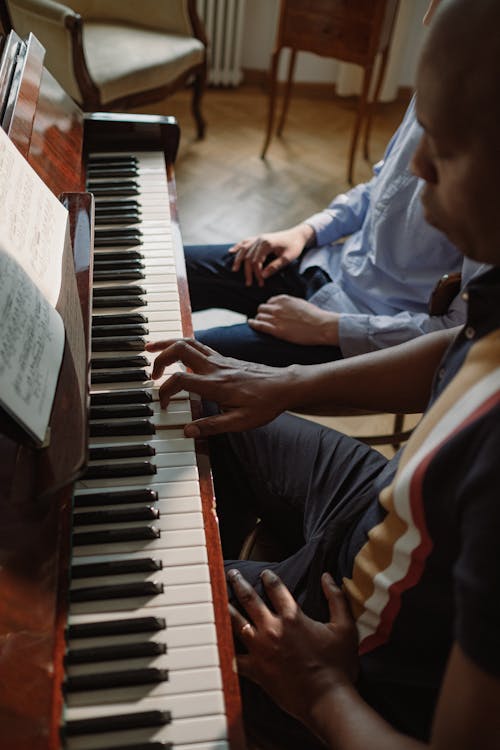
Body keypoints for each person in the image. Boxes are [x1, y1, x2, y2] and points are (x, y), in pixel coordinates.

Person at [147, 0, 500, 747]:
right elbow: (458, 347)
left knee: (129, 604)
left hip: (356, 658)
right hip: (378, 495)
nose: (418, 165)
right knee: (206, 408)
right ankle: (244, 546)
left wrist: (322, 691)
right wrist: (285, 385)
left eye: (446, 144)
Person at [183, 0, 481, 368]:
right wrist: (306, 231)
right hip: (327, 265)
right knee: (166, 269)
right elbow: (380, 189)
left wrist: (331, 328)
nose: (429, 13)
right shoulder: (439, 85)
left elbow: (458, 333)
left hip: (361, 327)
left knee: (183, 362)